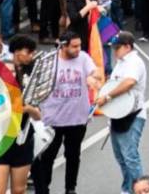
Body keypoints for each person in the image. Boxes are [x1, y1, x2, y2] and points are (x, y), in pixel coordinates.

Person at [33, 31, 102, 194]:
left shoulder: (83, 58)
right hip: (52, 119)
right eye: (74, 46)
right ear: (63, 46)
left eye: (79, 45)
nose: (78, 49)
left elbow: (95, 71)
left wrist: (93, 77)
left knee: (73, 156)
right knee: (48, 157)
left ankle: (70, 188)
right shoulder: (49, 62)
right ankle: (44, 189)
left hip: (77, 118)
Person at [96, 31, 148, 194]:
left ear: (127, 46)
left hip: (133, 115)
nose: (114, 51)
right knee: (121, 158)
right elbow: (114, 83)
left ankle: (141, 190)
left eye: (117, 48)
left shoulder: (134, 62)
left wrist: (108, 96)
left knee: (130, 157)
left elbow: (129, 82)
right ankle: (128, 189)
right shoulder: (121, 62)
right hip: (118, 115)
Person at [0, 34, 41, 194]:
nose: (9, 74)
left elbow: (38, 115)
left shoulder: (25, 91)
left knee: (19, 190)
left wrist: (27, 109)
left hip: (22, 143)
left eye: (12, 71)